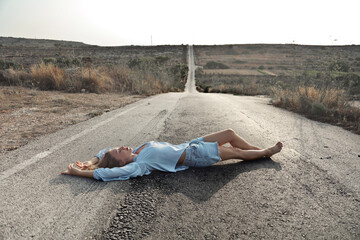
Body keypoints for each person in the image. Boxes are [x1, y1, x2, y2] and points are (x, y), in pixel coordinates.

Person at [61, 129, 283, 181]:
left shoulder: (137, 151)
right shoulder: (139, 166)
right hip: (195, 156)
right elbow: (103, 174)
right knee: (236, 153)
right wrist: (79, 172)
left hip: (191, 144)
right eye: (120, 151)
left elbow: (102, 154)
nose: (123, 147)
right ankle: (264, 152)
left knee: (230, 134)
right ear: (120, 163)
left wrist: (89, 161)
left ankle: (258, 150)